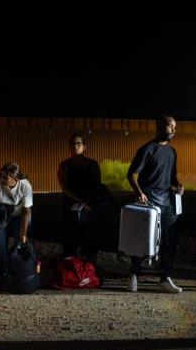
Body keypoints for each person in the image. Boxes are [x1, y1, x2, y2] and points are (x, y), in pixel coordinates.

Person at [126, 115, 184, 293]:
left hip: (167, 203)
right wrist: (140, 194)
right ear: (159, 126)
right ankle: (133, 275)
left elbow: (172, 178)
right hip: (149, 201)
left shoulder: (172, 152)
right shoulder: (147, 149)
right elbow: (131, 174)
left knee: (170, 241)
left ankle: (165, 278)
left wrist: (177, 187)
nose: (174, 130)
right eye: (170, 126)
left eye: (175, 126)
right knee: (143, 240)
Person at [57, 134, 113, 264]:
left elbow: (97, 184)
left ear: (84, 146)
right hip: (71, 205)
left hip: (90, 205)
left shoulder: (92, 164)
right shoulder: (65, 165)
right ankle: (70, 269)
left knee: (90, 235)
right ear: (69, 147)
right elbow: (65, 187)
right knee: (71, 236)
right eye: (73, 144)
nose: (76, 146)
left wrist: (89, 202)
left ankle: (90, 269)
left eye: (79, 143)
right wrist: (80, 200)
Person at [0, 162, 33, 291]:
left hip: (19, 215)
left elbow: (27, 211)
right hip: (1, 213)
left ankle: (16, 278)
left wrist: (23, 233)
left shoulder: (25, 186)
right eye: (2, 176)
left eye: (6, 177)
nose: (2, 179)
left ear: (15, 179)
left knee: (18, 245)